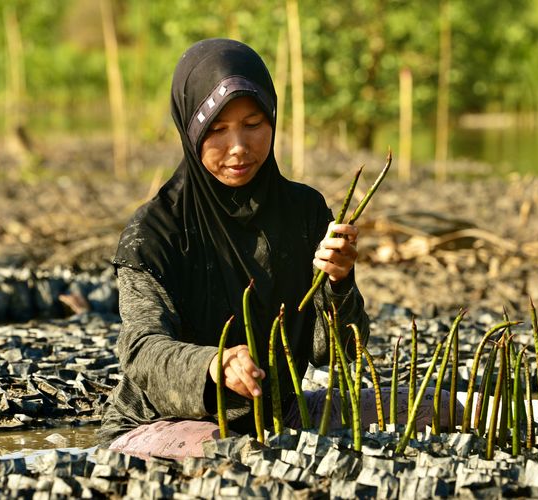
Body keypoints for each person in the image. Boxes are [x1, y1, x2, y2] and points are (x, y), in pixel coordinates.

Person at [98, 38, 371, 458]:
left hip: (278, 415)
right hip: (163, 424)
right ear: (191, 131)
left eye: (253, 123)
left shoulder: (305, 211)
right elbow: (141, 349)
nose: (239, 147)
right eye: (218, 130)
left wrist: (338, 281)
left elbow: (337, 351)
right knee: (239, 455)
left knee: (442, 408)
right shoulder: (154, 232)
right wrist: (213, 364)